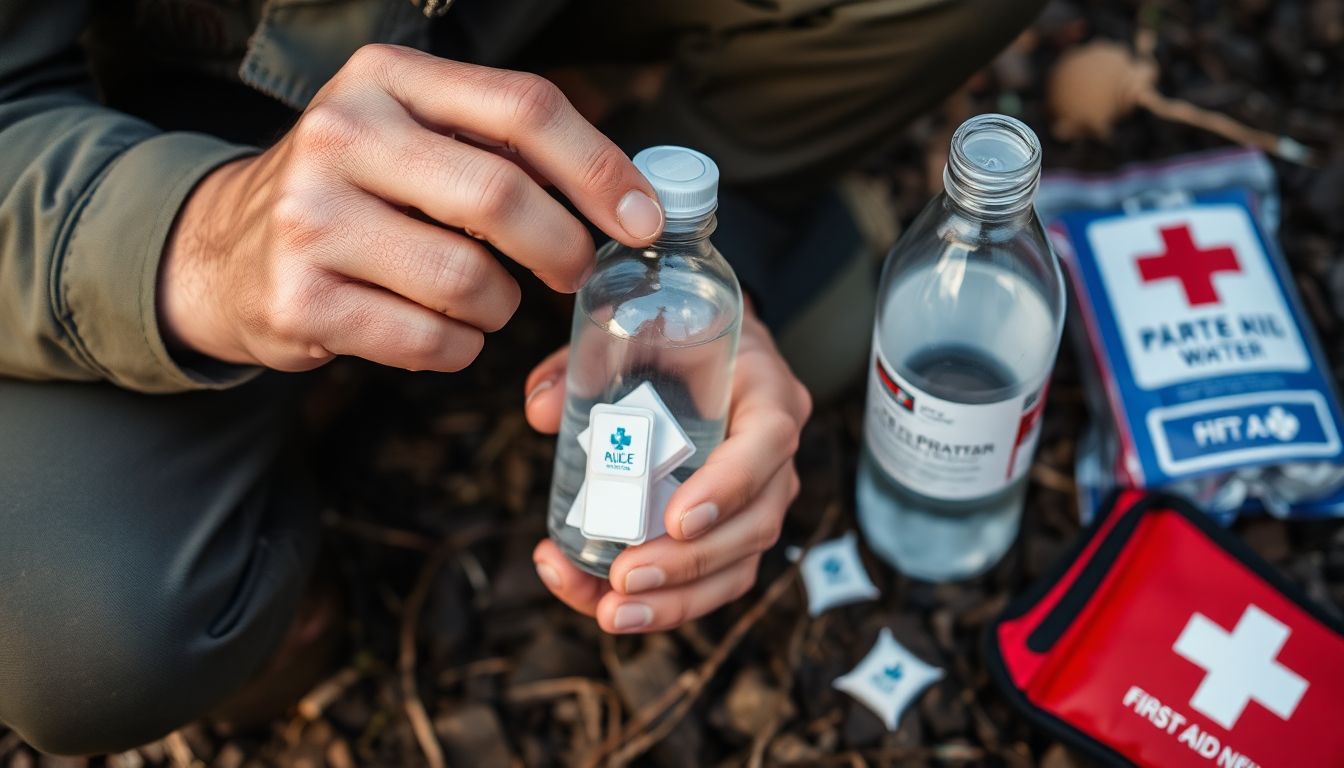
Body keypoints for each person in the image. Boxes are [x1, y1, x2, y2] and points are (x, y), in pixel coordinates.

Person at [0, 0, 1046, 755]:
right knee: (88, 629)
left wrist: (700, 295)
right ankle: (281, 435)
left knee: (796, 334)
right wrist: (196, 236)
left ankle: (670, 170)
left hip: (522, 30)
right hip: (153, 104)